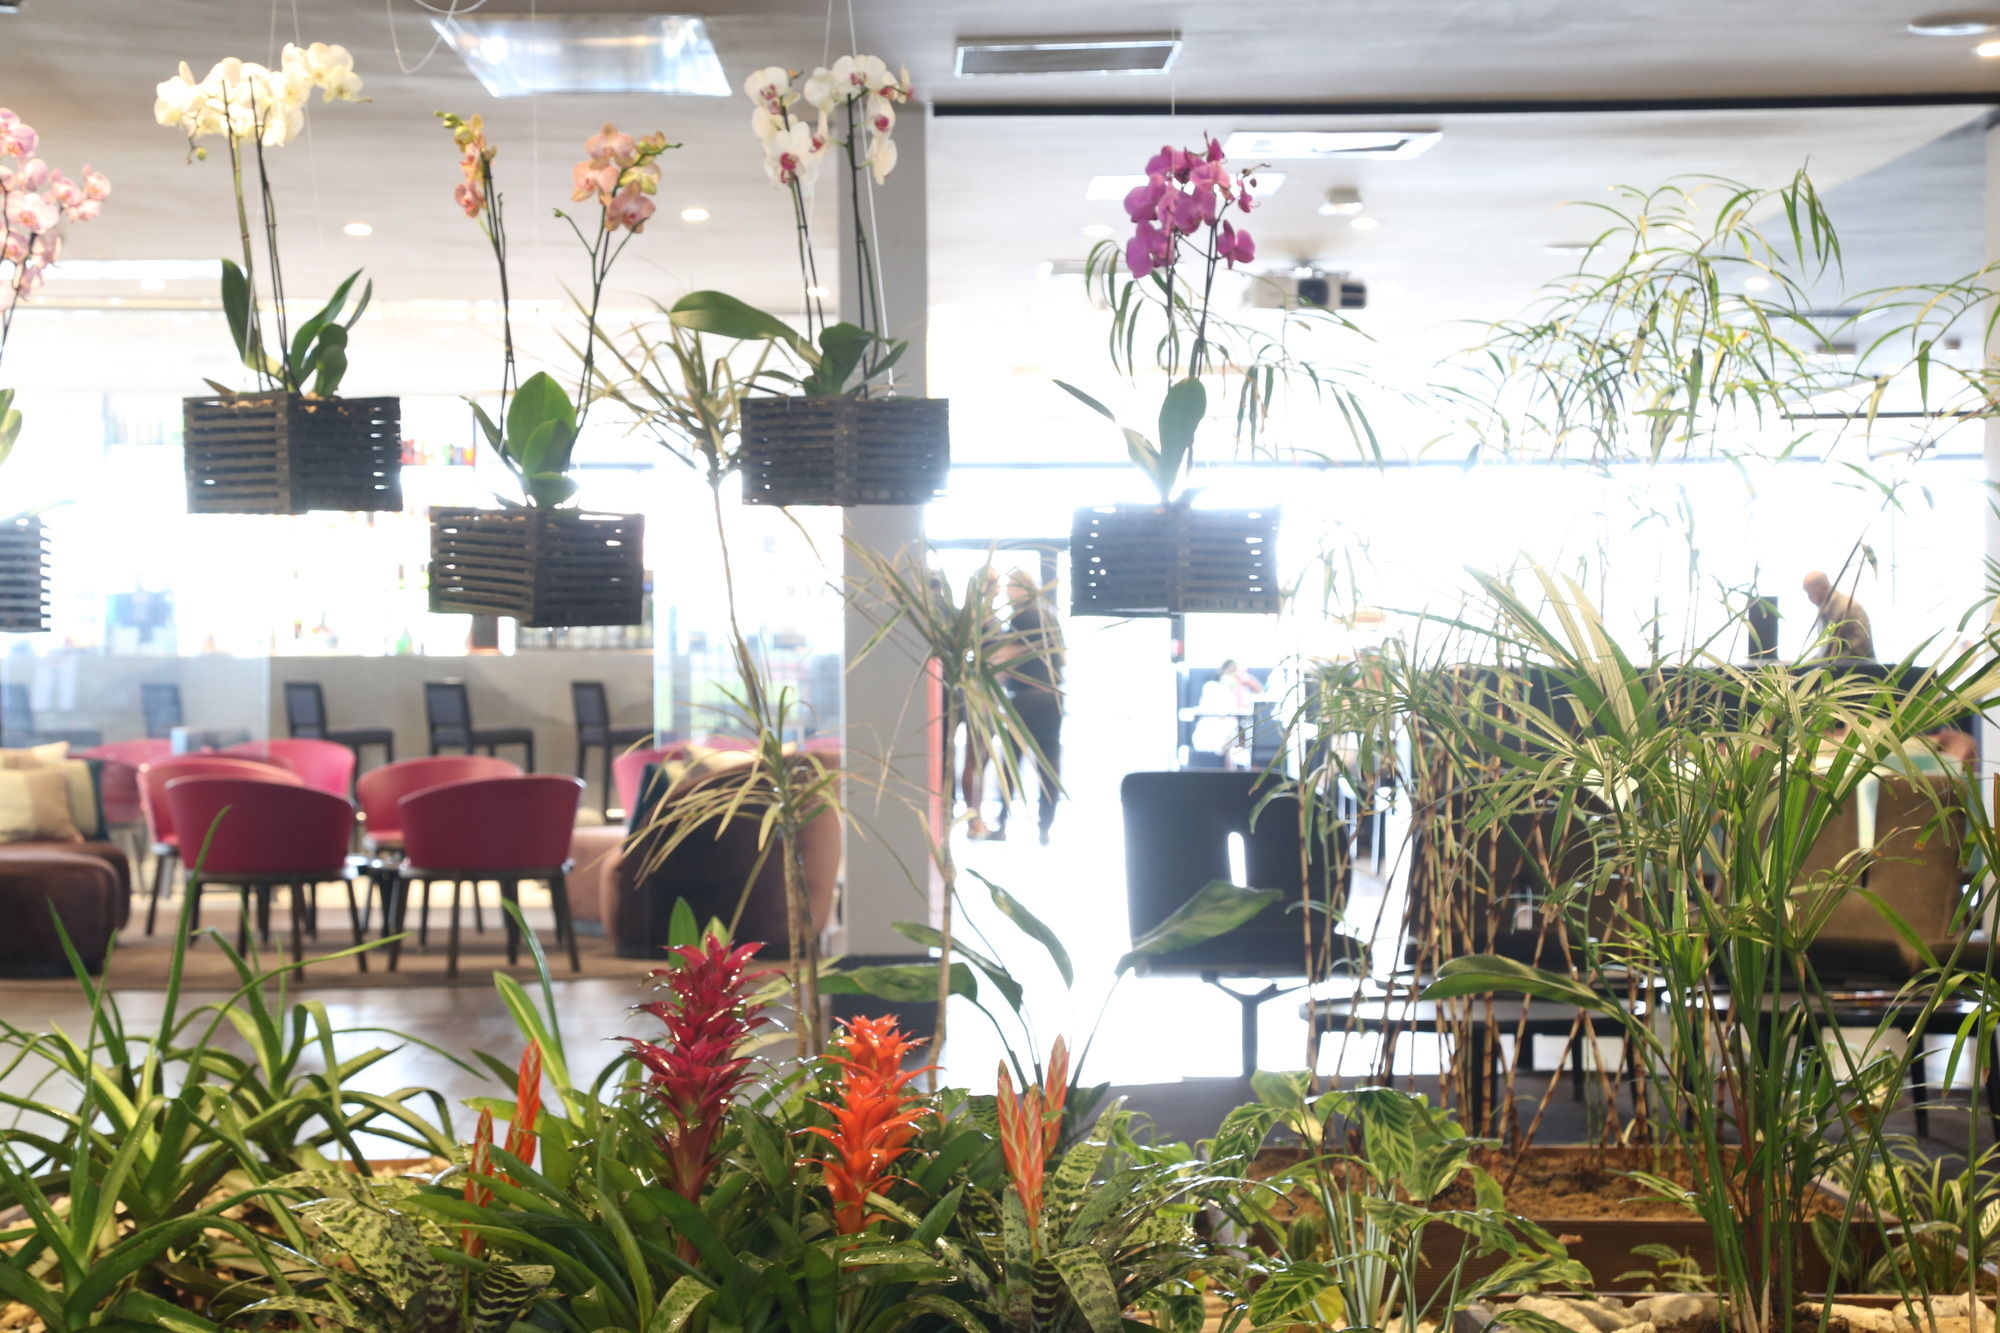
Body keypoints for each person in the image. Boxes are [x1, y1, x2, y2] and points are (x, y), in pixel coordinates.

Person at [994, 569, 1064, 845]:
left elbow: (1006, 656)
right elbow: (1062, 658)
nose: (1006, 593)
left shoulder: (1022, 616)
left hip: (1026, 697)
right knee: (1048, 764)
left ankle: (1002, 823)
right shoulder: (1049, 616)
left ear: (1022, 589)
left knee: (1011, 761)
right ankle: (1045, 826)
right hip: (1052, 698)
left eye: (1010, 587)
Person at [1191, 659, 1263, 770]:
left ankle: (1242, 769)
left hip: (1237, 729)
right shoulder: (1212, 687)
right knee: (1230, 734)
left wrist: (1248, 683)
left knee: (1239, 736)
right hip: (1215, 729)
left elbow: (1259, 695)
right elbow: (1217, 710)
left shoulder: (1243, 689)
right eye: (1237, 672)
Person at [1802, 569, 1874, 661]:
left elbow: (1859, 653)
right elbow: (1825, 653)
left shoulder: (1850, 609)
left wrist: (1823, 664)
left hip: (1854, 668)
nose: (1809, 598)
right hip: (1834, 667)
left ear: (1825, 588)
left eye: (1811, 593)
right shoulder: (1824, 611)